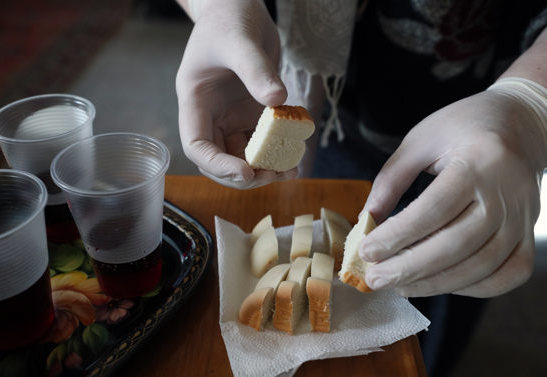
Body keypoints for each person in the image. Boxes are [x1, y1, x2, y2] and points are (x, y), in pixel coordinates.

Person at [174, 0, 547, 375]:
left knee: (452, 281)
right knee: (340, 239)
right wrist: (218, 8)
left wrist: (530, 100)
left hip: (485, 121)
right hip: (324, 107)